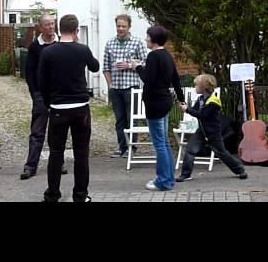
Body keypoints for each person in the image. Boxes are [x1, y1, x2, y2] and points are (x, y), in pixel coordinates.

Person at [38, 14, 100, 202]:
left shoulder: (48, 52)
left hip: (58, 107)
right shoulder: (82, 50)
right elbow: (95, 67)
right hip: (80, 107)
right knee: (81, 152)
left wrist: (50, 103)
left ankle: (52, 195)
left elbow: (42, 83)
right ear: (76, 31)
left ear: (58, 28)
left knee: (56, 153)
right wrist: (80, 45)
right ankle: (80, 196)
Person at [131, 25, 184, 191]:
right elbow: (175, 79)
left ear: (153, 40)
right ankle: (168, 177)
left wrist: (137, 67)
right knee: (165, 142)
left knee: (159, 143)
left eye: (147, 37)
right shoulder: (167, 55)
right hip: (165, 101)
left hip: (155, 102)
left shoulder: (153, 56)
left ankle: (163, 181)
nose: (146, 39)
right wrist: (181, 99)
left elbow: (149, 78)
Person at [176, 74, 247, 182]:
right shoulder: (200, 99)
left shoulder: (213, 101)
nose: (194, 87)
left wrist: (187, 110)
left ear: (204, 87)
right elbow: (194, 110)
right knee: (190, 150)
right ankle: (185, 174)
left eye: (196, 85)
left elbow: (202, 115)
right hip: (201, 131)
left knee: (222, 153)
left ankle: (240, 170)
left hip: (213, 133)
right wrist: (185, 106)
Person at [20, 13, 67, 179]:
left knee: (58, 131)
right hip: (41, 94)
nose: (51, 27)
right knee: (37, 132)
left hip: (58, 94)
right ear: (40, 27)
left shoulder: (62, 43)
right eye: (47, 25)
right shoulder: (35, 47)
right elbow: (29, 72)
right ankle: (30, 165)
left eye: (53, 24)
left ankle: (58, 163)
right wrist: (34, 92)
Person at [103, 14, 147, 158]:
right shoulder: (110, 43)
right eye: (118, 26)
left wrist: (129, 65)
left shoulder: (137, 43)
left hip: (131, 86)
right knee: (119, 119)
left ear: (129, 27)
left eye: (123, 26)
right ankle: (121, 146)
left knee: (131, 118)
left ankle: (132, 147)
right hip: (115, 87)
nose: (120, 28)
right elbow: (105, 67)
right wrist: (110, 85)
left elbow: (146, 63)